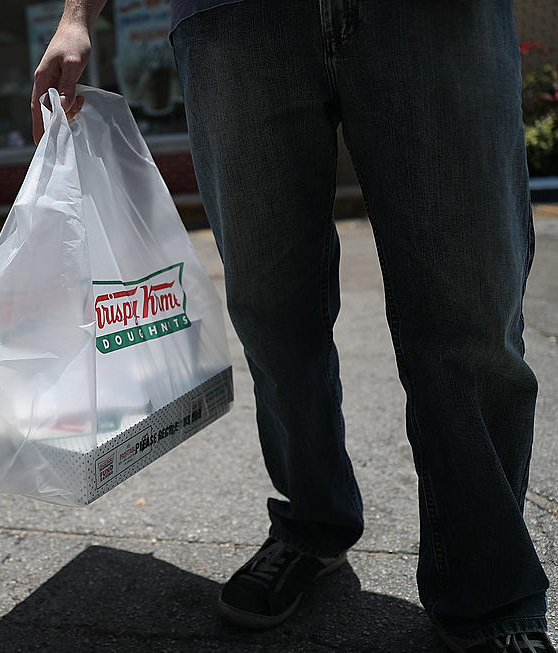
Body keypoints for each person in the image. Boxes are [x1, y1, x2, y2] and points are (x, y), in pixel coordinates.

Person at [31, 1, 554, 651]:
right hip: (234, 19)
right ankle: (312, 521)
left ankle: (492, 589)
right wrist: (77, 14)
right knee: (272, 309)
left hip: (434, 17)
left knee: (469, 307)